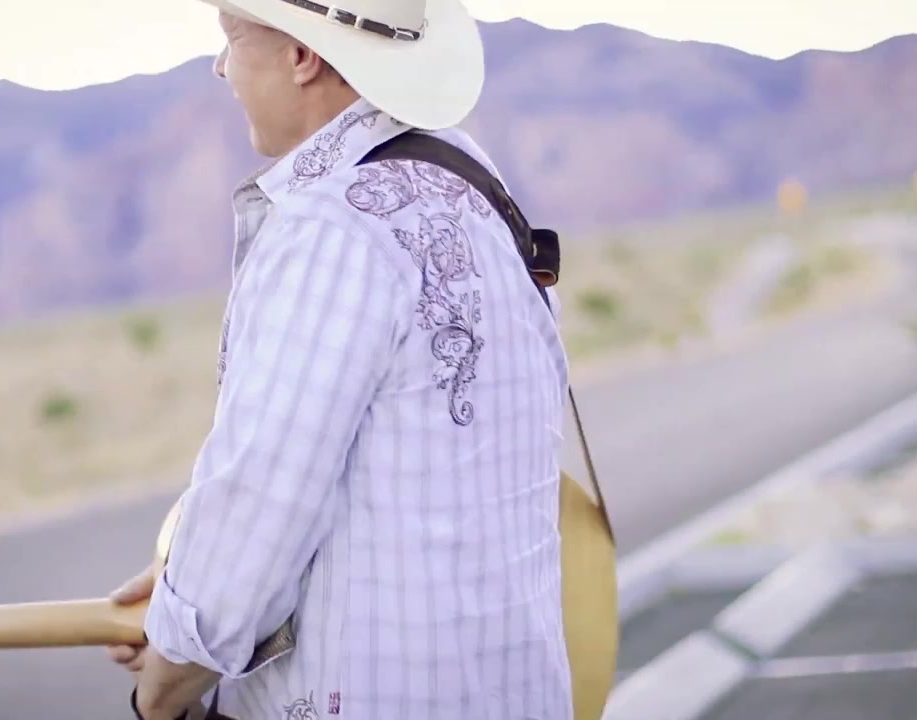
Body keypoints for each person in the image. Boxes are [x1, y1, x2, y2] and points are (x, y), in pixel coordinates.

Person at [106, 0, 574, 717]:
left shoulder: (330, 228)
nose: (221, 66)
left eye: (234, 37)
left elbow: (257, 523)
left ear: (302, 56)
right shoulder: (477, 189)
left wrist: (165, 682)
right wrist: (182, 590)